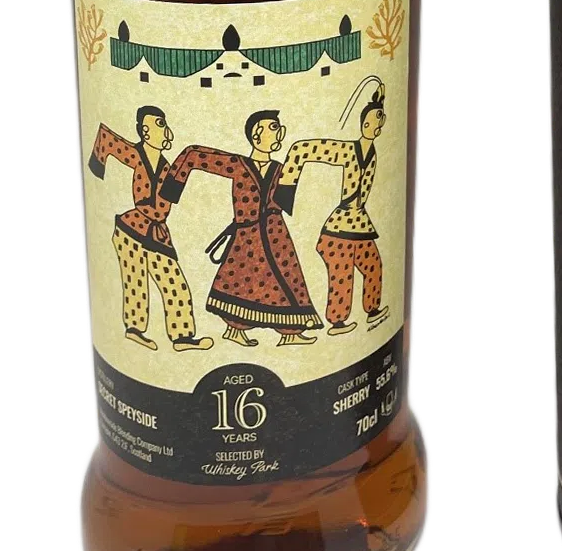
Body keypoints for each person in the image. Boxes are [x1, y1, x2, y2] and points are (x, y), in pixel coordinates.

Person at [165, 112, 324, 346]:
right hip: (247, 236)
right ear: (256, 135)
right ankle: (235, 330)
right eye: (273, 127)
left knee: (288, 279)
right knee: (240, 284)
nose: (279, 132)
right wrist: (171, 189)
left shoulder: (282, 169)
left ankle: (290, 332)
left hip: (275, 235)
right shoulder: (238, 165)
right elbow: (194, 154)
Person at [88, 107, 213, 352]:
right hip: (131, 229)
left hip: (156, 232)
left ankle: (182, 337)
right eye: (159, 124)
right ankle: (135, 330)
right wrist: (97, 167)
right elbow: (107, 138)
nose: (165, 130)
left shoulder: (166, 166)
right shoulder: (137, 155)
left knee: (175, 283)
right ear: (145, 131)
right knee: (135, 280)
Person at [279, 85, 390, 334]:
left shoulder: (371, 152)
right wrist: (286, 183)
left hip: (359, 224)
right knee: (342, 276)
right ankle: (337, 322)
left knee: (373, 266)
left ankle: (372, 310)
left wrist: (380, 100)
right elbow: (304, 149)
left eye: (377, 121)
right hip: (338, 230)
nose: (372, 126)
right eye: (369, 122)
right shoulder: (348, 150)